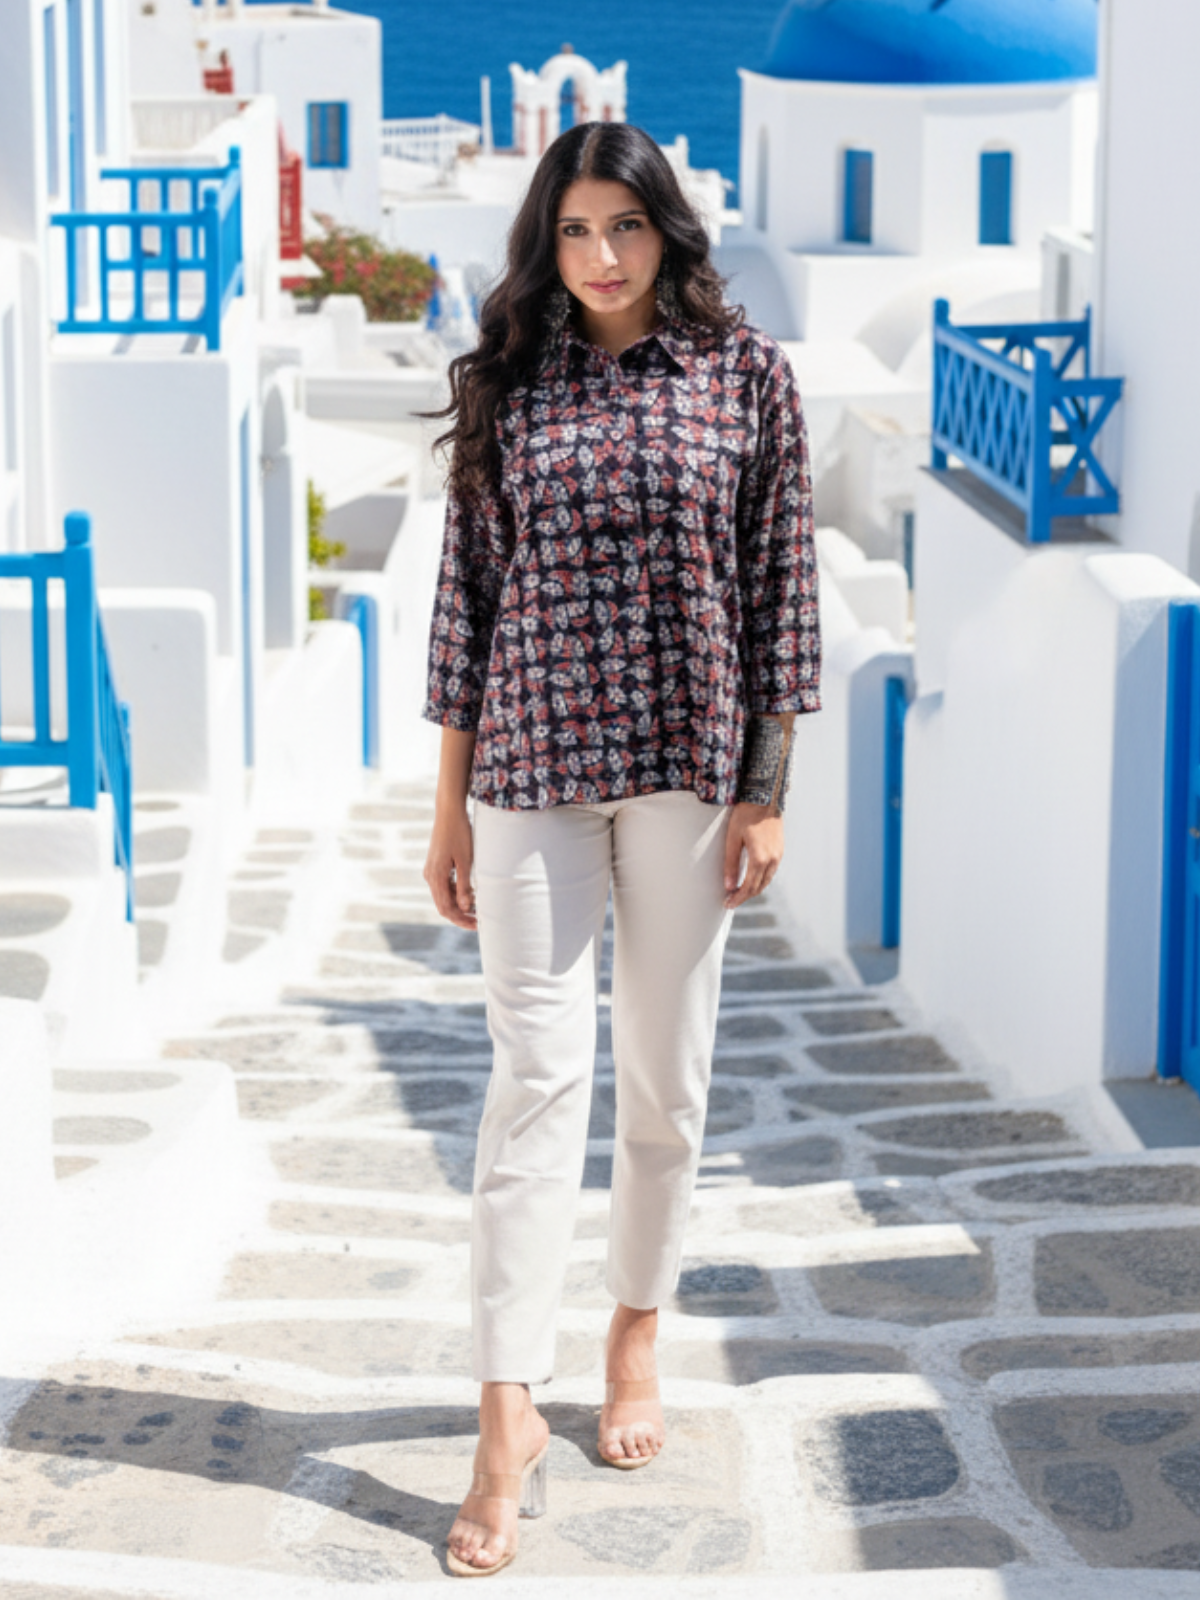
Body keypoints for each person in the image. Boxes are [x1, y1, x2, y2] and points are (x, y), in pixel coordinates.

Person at [422, 119, 820, 1577]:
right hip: (529, 768)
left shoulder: (747, 377)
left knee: (666, 1078)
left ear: (668, 231)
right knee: (534, 1083)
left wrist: (766, 789)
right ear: (548, 240)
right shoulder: (506, 379)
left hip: (686, 771)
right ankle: (504, 1415)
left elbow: (783, 589)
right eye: (576, 230)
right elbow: (465, 604)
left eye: (627, 227)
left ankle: (635, 1330)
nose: (601, 256)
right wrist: (447, 806)